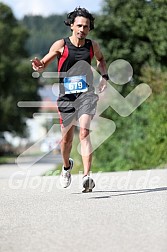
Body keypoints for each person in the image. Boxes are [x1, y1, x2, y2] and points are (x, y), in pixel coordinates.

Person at [31, 7, 109, 193]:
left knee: (84, 133)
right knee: (66, 141)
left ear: (90, 29)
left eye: (86, 26)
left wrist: (104, 76)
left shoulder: (92, 46)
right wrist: (38, 66)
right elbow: (43, 65)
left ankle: (87, 177)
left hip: (86, 96)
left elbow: (101, 60)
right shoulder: (61, 45)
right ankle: (67, 167)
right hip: (66, 97)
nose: (82, 29)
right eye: (79, 25)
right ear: (72, 26)